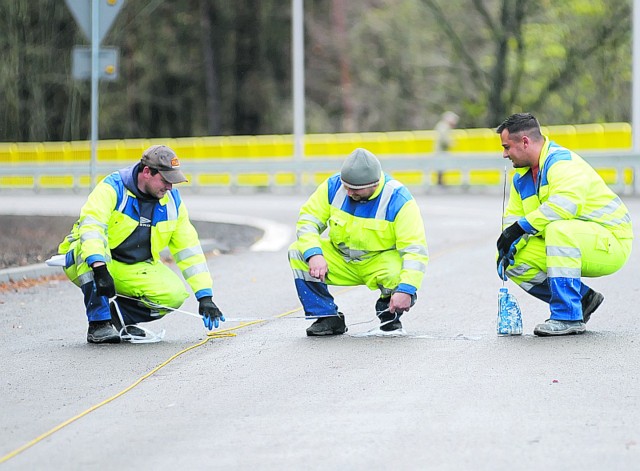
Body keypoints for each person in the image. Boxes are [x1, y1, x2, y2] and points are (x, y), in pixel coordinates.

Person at [57, 145, 225, 344]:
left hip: (133, 267)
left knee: (174, 295)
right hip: (91, 262)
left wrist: (205, 296)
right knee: (88, 252)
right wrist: (100, 269)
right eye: (165, 180)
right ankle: (99, 324)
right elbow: (92, 228)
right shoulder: (113, 188)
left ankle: (117, 319)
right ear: (147, 172)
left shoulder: (172, 203)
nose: (170, 187)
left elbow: (189, 249)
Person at [496, 113, 633, 336]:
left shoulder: (562, 163)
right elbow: (513, 218)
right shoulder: (521, 178)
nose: (504, 154)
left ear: (525, 142)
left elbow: (565, 206)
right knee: (514, 261)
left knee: (558, 228)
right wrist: (508, 245)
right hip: (576, 240)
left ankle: (568, 316)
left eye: (506, 147)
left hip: (611, 242)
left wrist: (521, 227)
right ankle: (582, 299)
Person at [288, 148, 429, 336]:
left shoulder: (398, 200)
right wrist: (314, 254)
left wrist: (407, 289)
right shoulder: (333, 186)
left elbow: (415, 250)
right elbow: (308, 221)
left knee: (400, 272)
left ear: (375, 183)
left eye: (355, 189)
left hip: (379, 262)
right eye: (346, 186)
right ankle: (327, 317)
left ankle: (389, 318)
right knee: (298, 251)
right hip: (341, 259)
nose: (348, 193)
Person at [434, 111, 459, 186]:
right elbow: (444, 138)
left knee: (441, 167)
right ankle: (440, 183)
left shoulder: (442, 125)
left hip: (441, 150)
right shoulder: (443, 126)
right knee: (441, 167)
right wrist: (451, 143)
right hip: (441, 151)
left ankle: (440, 182)